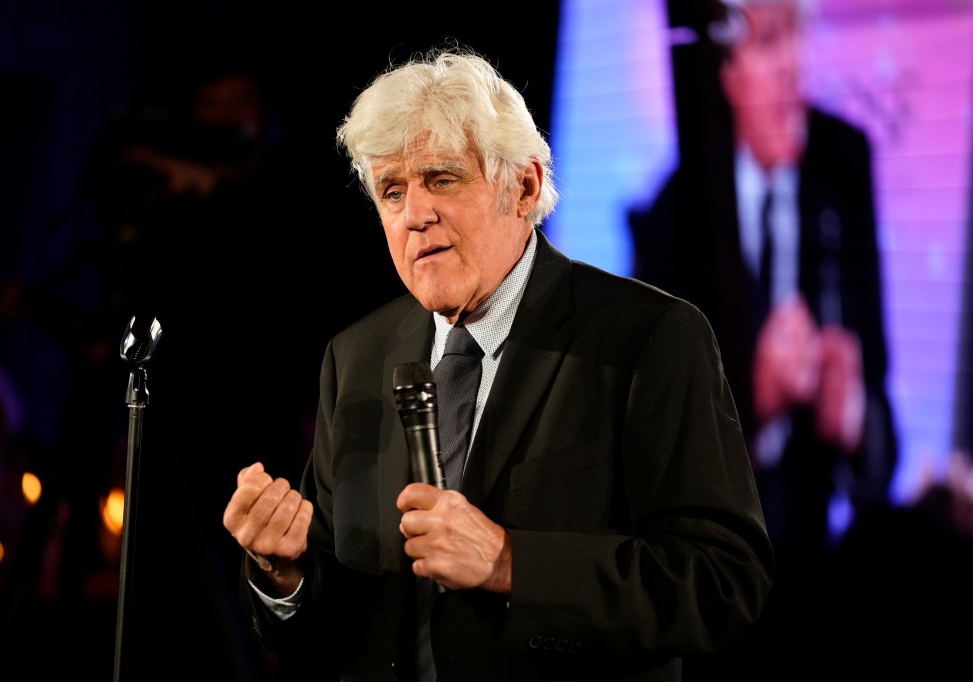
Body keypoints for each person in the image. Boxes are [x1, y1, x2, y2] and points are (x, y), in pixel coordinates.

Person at [222, 46, 774, 681]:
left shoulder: (645, 338)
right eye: (391, 191)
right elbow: (345, 614)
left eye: (443, 179)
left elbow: (723, 581)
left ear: (525, 186)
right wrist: (282, 573)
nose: (413, 214)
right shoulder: (355, 356)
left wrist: (511, 563)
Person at [627, 0, 898, 678]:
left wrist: (856, 414)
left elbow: (882, 430)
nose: (791, 69)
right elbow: (646, 445)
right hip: (710, 590)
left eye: (795, 38)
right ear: (724, 72)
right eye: (768, 43)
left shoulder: (843, 163)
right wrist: (756, 401)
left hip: (820, 575)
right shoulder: (670, 217)